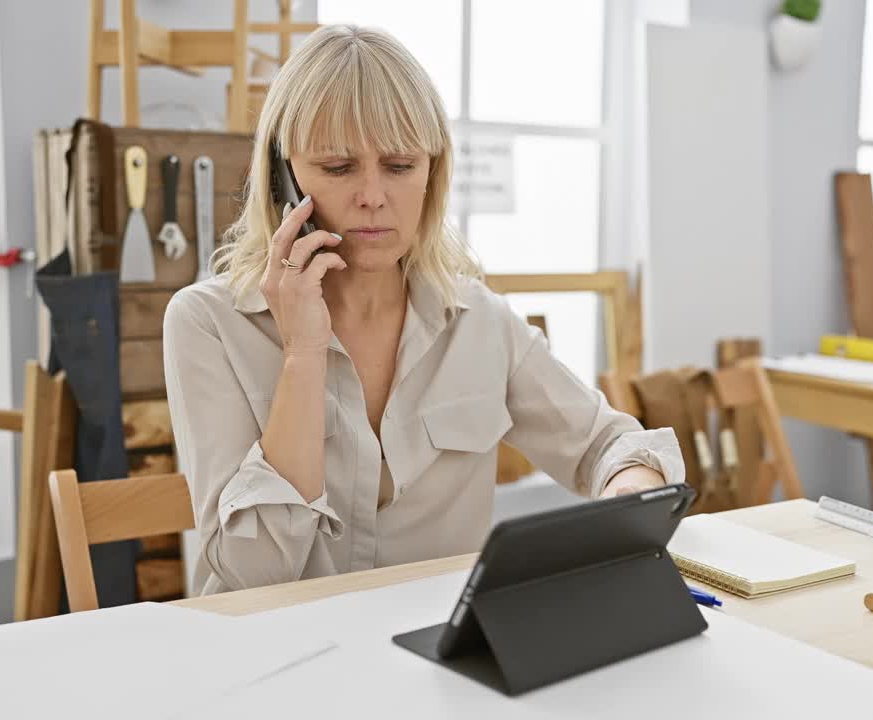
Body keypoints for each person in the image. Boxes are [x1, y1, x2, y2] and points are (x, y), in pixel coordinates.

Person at [163, 25, 684, 596]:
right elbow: (255, 573)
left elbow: (608, 443)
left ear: (431, 173)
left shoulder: (477, 320)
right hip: (275, 659)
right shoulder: (206, 324)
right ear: (282, 179)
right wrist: (303, 355)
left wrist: (630, 487)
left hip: (434, 658)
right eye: (338, 168)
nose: (372, 196)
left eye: (400, 165)